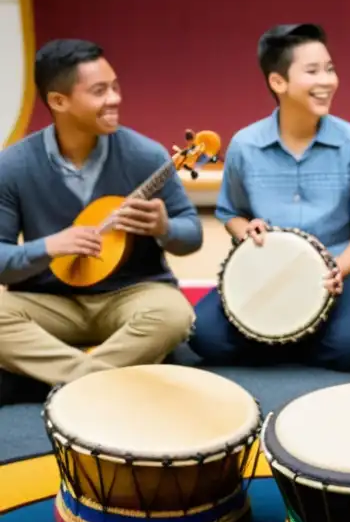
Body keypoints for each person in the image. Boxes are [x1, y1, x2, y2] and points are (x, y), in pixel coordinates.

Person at [188, 24, 350, 371]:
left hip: (340, 273)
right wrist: (245, 230)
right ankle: (297, 339)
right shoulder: (245, 145)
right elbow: (231, 212)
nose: (327, 80)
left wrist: (339, 269)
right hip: (266, 271)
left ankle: (275, 342)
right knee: (203, 335)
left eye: (330, 69)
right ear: (278, 82)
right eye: (312, 71)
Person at [0, 39, 200, 394]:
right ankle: (96, 381)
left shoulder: (145, 155)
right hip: (50, 304)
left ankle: (61, 381)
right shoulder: (14, 166)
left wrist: (164, 228)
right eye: (99, 91)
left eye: (115, 86)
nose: (115, 99)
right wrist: (48, 246)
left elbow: (192, 235)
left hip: (130, 297)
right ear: (58, 101)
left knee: (174, 315)